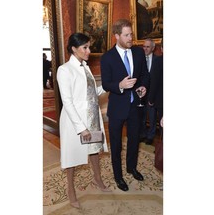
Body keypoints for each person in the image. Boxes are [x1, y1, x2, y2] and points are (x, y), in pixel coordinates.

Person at [57, 33, 110, 209]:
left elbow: (91, 93)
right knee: (72, 156)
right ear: (74, 49)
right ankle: (70, 189)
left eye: (89, 47)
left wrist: (112, 86)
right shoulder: (64, 70)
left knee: (94, 151)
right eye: (85, 47)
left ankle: (97, 179)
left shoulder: (85, 67)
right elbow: (68, 101)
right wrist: (81, 128)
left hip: (92, 117)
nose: (89, 51)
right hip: (75, 122)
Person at [100, 19, 149, 192]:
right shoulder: (107, 57)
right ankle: (118, 176)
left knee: (134, 140)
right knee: (116, 144)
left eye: (131, 34)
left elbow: (144, 75)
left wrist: (143, 86)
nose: (131, 38)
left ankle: (131, 168)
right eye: (127, 35)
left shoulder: (138, 52)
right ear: (117, 36)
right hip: (117, 108)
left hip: (136, 106)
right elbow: (106, 83)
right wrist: (119, 85)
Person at [140, 38, 157, 145]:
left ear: (153, 48)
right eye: (144, 46)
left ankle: (151, 136)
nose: (145, 49)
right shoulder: (138, 59)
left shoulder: (158, 60)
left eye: (147, 47)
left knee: (152, 117)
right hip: (140, 93)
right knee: (141, 116)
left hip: (152, 94)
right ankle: (142, 134)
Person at [148, 39, 163, 134]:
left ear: (161, 48)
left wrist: (151, 100)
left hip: (161, 101)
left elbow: (154, 82)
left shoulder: (158, 61)